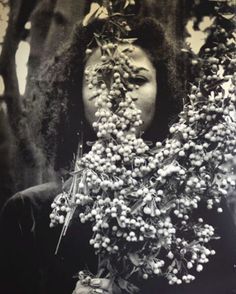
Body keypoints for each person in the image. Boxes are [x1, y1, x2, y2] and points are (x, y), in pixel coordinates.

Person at [0, 16, 236, 294]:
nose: (119, 91)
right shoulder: (29, 214)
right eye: (102, 78)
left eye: (137, 78)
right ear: (75, 95)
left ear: (162, 92)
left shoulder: (201, 208)